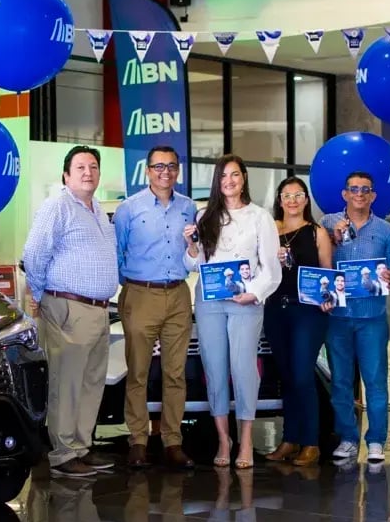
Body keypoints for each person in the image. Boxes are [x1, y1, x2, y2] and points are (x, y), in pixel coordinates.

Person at [22, 146, 119, 477]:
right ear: (66, 175)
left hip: (99, 310)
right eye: (80, 167)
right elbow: (34, 253)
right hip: (67, 307)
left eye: (93, 166)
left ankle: (81, 446)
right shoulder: (58, 206)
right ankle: (63, 454)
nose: (88, 172)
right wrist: (38, 294)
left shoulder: (98, 212)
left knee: (91, 383)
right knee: (67, 383)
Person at [182, 154, 281, 469]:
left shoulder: (260, 217)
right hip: (209, 302)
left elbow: (271, 268)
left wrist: (254, 293)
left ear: (244, 178)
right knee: (214, 368)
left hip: (245, 303)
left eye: (235, 175)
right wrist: (192, 247)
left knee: (243, 368)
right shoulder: (204, 216)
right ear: (216, 180)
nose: (229, 181)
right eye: (223, 176)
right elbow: (193, 266)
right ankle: (224, 439)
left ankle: (247, 439)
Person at [113, 145, 197, 469]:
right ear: (147, 171)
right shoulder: (128, 209)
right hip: (140, 293)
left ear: (178, 170)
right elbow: (117, 253)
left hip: (177, 294)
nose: (166, 172)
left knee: (176, 373)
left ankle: (172, 441)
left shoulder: (189, 208)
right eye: (158, 166)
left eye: (172, 166)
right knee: (137, 372)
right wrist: (132, 289)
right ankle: (138, 441)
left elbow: (193, 252)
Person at [321, 171, 390, 463]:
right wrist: (333, 237)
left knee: (375, 381)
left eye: (365, 189)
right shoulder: (328, 222)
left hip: (372, 318)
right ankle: (348, 438)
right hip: (337, 316)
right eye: (353, 189)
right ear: (344, 194)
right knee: (340, 381)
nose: (359, 194)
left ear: (373, 195)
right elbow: (319, 263)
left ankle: (376, 440)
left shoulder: (385, 230)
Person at [262, 176, 334, 466]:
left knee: (303, 375)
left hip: (308, 312)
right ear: (279, 201)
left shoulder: (317, 233)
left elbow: (328, 273)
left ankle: (311, 442)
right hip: (275, 310)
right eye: (286, 195)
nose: (292, 200)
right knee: (287, 376)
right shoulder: (269, 231)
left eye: (298, 195)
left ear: (306, 200)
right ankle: (290, 440)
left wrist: (329, 296)